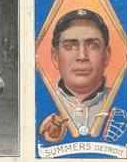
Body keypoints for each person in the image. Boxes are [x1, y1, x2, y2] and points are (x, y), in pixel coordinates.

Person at [48, 9, 112, 137]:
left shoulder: (122, 100)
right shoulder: (43, 101)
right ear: (55, 58)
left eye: (93, 45)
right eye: (70, 46)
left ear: (106, 55)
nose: (82, 56)